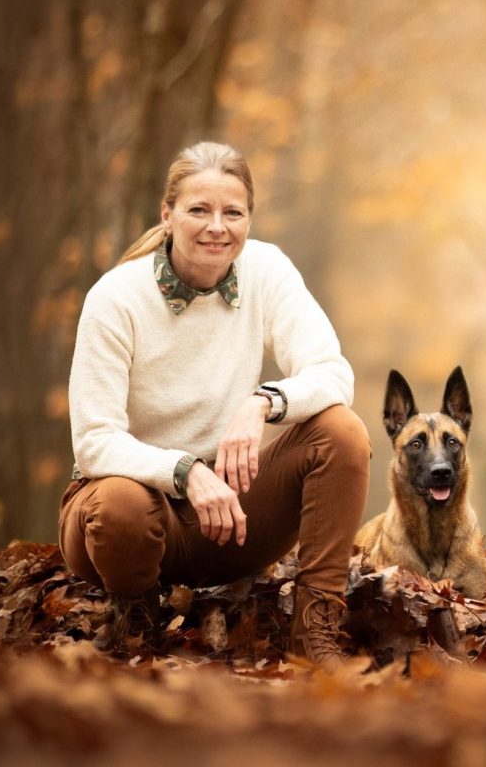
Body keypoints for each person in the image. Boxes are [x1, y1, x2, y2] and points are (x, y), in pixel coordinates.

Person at [60, 141, 370, 668]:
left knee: (341, 432)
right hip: (123, 520)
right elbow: (94, 442)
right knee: (120, 508)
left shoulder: (267, 270)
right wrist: (182, 471)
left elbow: (332, 372)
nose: (216, 227)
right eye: (198, 210)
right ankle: (137, 626)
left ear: (249, 218)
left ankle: (315, 634)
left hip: (227, 517)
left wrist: (263, 403)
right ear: (168, 214)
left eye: (233, 212)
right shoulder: (115, 298)